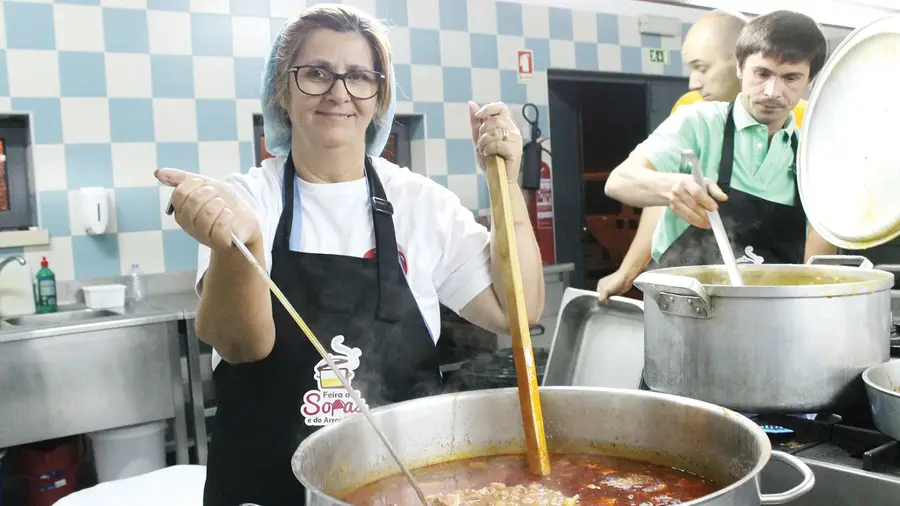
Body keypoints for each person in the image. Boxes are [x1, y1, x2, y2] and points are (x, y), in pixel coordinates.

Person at [154, 4, 545, 505]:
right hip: (265, 489)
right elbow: (238, 345)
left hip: (400, 490)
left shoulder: (421, 206)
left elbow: (519, 312)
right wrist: (243, 243)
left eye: (359, 76)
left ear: (379, 96)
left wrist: (504, 182)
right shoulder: (248, 201)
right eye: (316, 73)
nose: (339, 91)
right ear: (282, 88)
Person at [596, 9, 811, 299]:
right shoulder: (697, 119)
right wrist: (672, 187)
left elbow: (814, 256)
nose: (773, 91)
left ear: (808, 80)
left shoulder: (810, 146)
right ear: (740, 66)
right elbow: (628, 184)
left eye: (791, 78)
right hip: (683, 307)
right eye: (761, 74)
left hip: (769, 313)